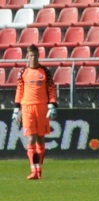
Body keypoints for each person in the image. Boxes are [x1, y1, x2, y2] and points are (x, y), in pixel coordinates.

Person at [12, 44, 57, 181]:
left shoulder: (45, 72)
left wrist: (52, 105)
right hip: (27, 107)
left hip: (42, 107)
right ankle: (33, 171)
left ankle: (39, 170)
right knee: (30, 138)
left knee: (40, 138)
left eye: (35, 55)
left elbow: (51, 89)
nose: (33, 58)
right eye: (31, 55)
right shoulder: (23, 72)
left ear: (38, 55)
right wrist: (16, 109)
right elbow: (19, 90)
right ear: (27, 56)